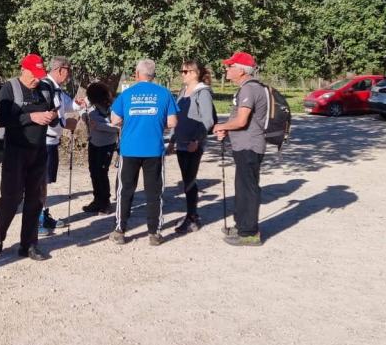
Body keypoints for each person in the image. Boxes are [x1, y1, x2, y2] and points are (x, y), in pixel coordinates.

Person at [0, 54, 58, 261]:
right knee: (11, 198)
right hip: (16, 152)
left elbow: (53, 114)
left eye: (40, 75)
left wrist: (53, 117)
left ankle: (29, 244)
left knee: (34, 200)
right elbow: (2, 119)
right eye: (34, 75)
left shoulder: (46, 89)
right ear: (24, 70)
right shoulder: (10, 88)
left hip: (39, 151)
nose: (37, 79)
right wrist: (31, 117)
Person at [108, 59, 179, 246]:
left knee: (125, 189)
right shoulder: (164, 94)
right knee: (154, 191)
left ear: (137, 74)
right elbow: (172, 122)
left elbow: (114, 119)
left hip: (129, 148)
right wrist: (155, 124)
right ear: (153, 75)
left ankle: (120, 230)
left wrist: (130, 122)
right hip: (153, 149)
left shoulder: (127, 94)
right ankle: (154, 233)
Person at [212, 51, 268, 247]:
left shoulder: (249, 89)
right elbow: (240, 120)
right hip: (245, 145)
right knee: (242, 188)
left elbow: (242, 121)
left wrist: (222, 126)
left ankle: (250, 233)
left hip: (249, 146)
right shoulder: (247, 88)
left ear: (241, 70)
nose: (226, 69)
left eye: (230, 66)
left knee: (248, 189)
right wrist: (227, 128)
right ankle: (242, 225)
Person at [167, 61, 215, 234]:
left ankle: (193, 217)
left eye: (185, 71)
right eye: (182, 71)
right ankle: (190, 214)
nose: (182, 74)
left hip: (193, 144)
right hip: (181, 143)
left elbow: (208, 120)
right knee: (186, 179)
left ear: (195, 73)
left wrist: (197, 139)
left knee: (190, 180)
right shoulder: (182, 92)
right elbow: (176, 117)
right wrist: (172, 140)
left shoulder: (203, 93)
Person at [38, 56, 76, 236]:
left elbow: (71, 105)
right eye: (68, 71)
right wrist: (66, 124)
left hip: (51, 142)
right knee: (39, 182)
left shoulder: (57, 88)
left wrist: (83, 104)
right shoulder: (45, 87)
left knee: (45, 182)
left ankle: (43, 214)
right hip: (43, 142)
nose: (69, 75)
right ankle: (37, 219)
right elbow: (49, 117)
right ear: (60, 69)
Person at [81, 82, 117, 214]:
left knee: (102, 172)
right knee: (94, 172)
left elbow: (117, 128)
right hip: (94, 143)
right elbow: (88, 118)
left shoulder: (112, 109)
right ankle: (97, 200)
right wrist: (84, 116)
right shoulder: (93, 108)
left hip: (106, 144)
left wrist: (99, 126)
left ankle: (105, 202)